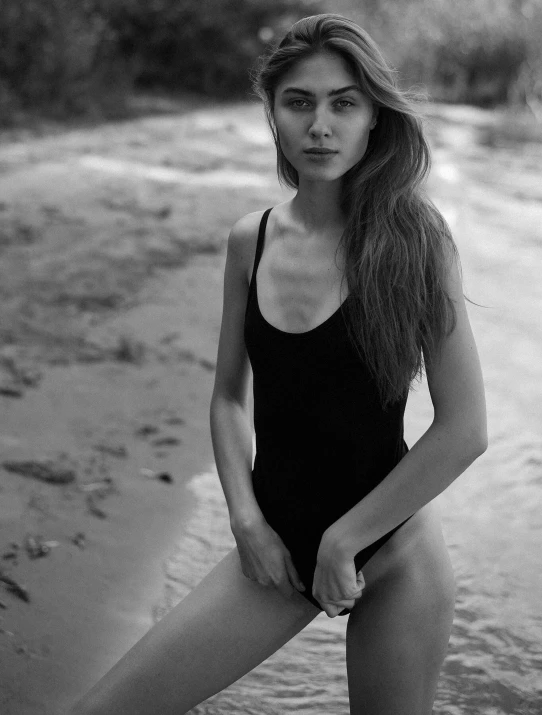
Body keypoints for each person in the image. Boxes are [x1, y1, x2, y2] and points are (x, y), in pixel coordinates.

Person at [69, 13, 487, 715]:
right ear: (274, 114)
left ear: (373, 119)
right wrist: (246, 523)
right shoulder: (250, 241)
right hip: (276, 550)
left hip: (395, 551)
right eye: (299, 102)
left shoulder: (418, 242)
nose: (320, 125)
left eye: (343, 103)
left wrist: (345, 539)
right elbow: (229, 398)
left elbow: (465, 428)